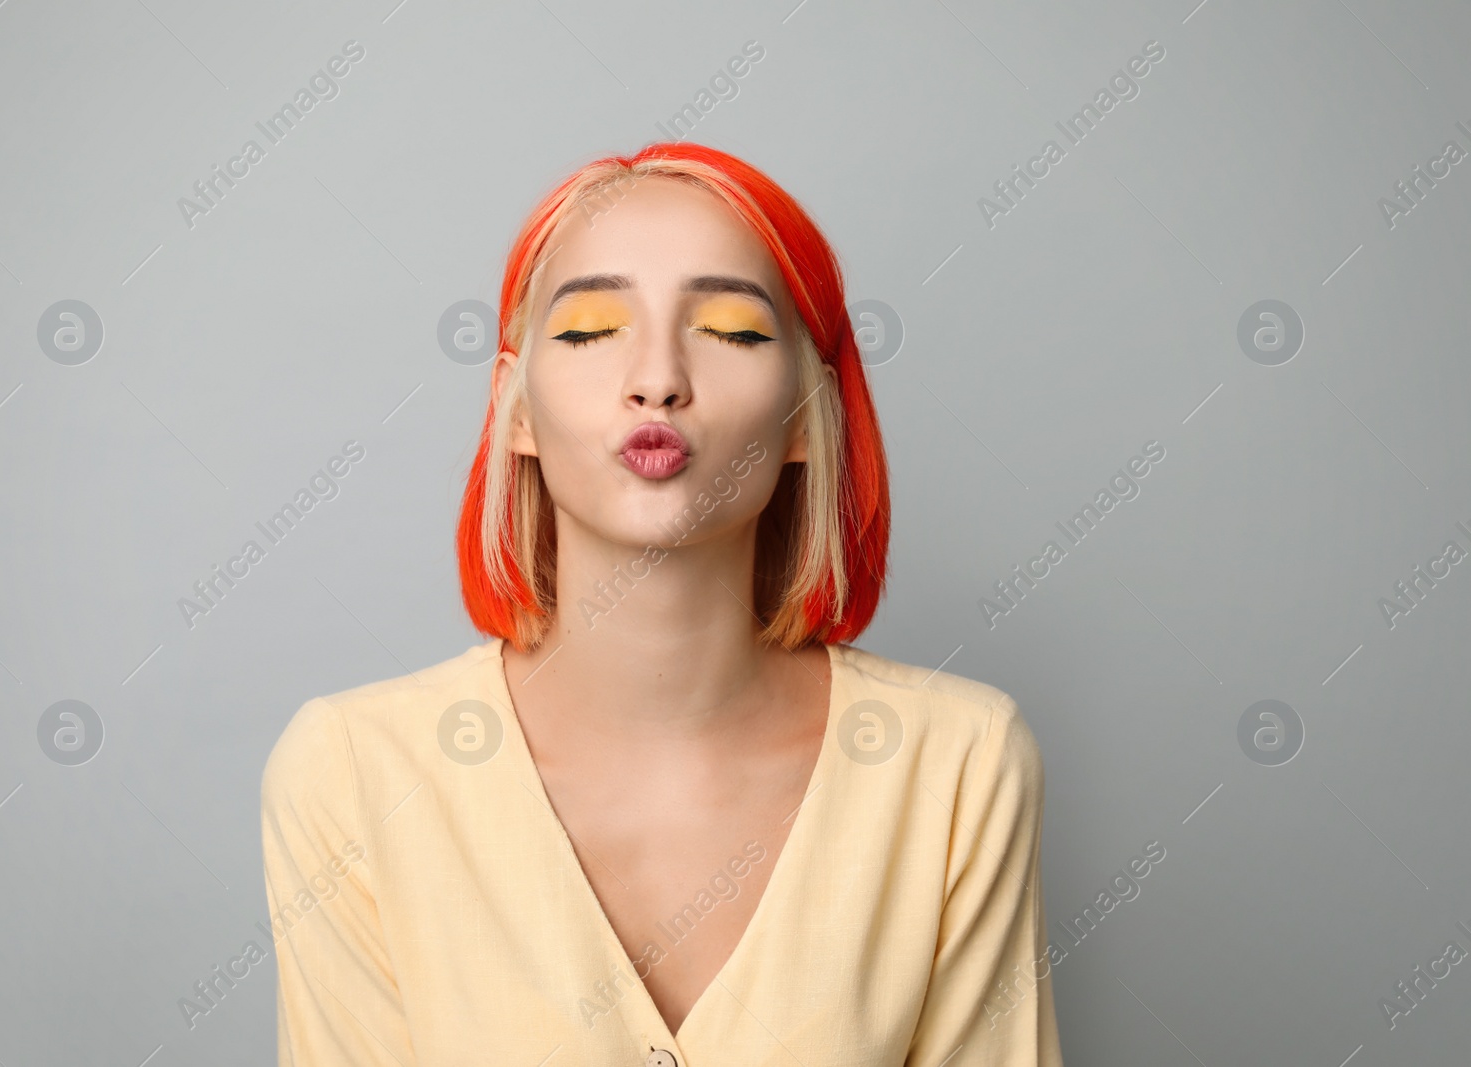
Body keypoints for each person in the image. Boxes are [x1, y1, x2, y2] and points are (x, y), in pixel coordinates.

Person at [261, 141, 1064, 1065]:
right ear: (515, 410)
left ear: (808, 414)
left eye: (731, 330)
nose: (658, 378)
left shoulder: (959, 766)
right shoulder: (353, 776)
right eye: (588, 330)